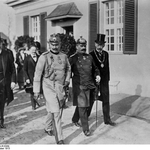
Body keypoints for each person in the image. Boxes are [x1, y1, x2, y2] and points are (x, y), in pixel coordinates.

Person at [33, 34, 71, 144]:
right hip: (48, 86)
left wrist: (67, 80)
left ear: (60, 45)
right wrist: (36, 91)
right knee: (57, 112)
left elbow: (68, 69)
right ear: (49, 44)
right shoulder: (43, 57)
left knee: (52, 109)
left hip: (60, 87)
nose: (55, 47)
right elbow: (37, 75)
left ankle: (47, 127)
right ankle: (60, 138)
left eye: (57, 44)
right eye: (52, 44)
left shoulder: (64, 56)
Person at [69, 36, 100, 136]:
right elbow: (67, 72)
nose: (83, 47)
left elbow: (95, 69)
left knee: (89, 105)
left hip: (91, 85)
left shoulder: (89, 57)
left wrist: (98, 75)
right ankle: (86, 129)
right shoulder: (73, 58)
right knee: (82, 106)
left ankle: (75, 119)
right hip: (80, 86)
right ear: (77, 46)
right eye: (81, 45)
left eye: (84, 45)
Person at [88, 34, 116, 126]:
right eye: (98, 44)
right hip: (94, 81)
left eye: (101, 44)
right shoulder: (91, 54)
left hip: (104, 81)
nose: (100, 46)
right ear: (95, 44)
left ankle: (107, 119)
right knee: (92, 99)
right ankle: (86, 116)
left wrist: (107, 79)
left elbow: (107, 67)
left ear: (104, 45)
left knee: (106, 99)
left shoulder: (106, 54)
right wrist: (94, 79)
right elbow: (90, 69)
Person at [0, 37, 16, 128]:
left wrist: (13, 81)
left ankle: (1, 121)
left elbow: (13, 69)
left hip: (4, 81)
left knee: (2, 102)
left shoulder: (7, 54)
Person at [24, 43, 40, 110]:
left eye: (34, 49)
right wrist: (27, 78)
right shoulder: (27, 58)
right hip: (30, 78)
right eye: (32, 50)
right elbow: (24, 69)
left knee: (38, 90)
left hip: (38, 77)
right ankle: (33, 105)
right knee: (32, 92)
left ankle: (36, 101)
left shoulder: (39, 57)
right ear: (29, 50)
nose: (33, 51)